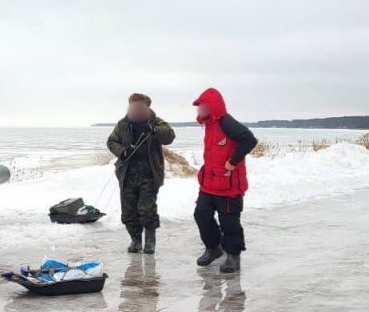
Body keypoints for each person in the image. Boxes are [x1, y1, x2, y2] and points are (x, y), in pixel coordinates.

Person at [192, 88, 258, 273]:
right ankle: (213, 247)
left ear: (213, 106)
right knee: (201, 215)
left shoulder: (226, 122)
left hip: (229, 186)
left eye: (202, 106)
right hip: (209, 183)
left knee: (229, 221)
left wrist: (233, 161)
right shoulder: (209, 124)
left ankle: (233, 256)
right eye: (198, 107)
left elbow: (249, 139)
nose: (199, 110)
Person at [106, 93, 176, 254]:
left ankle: (150, 242)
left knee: (147, 210)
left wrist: (153, 130)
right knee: (128, 211)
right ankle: (135, 240)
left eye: (140, 104)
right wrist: (123, 151)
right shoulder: (122, 124)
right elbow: (111, 141)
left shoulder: (156, 121)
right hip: (127, 175)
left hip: (149, 175)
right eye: (134, 104)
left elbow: (169, 136)